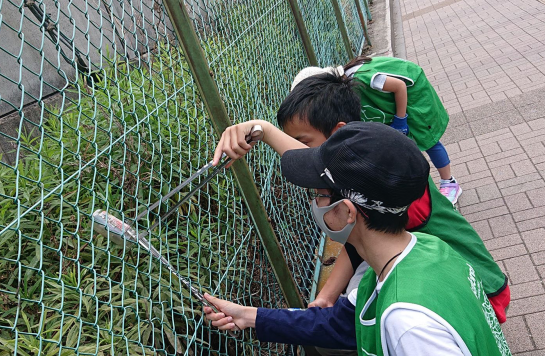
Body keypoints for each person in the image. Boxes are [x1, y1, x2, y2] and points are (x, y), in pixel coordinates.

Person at [205, 123, 538, 356]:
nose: (314, 203)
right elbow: (340, 323)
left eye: (319, 195)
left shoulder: (408, 322)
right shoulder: (422, 248)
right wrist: (249, 316)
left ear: (348, 212)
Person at [213, 73, 510, 329]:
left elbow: (321, 169)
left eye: (305, 142)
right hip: (451, 276)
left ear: (339, 132)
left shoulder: (388, 181)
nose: (304, 154)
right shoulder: (366, 169)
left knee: (364, 322)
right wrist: (326, 297)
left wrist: (263, 129)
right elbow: (360, 246)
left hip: (480, 292)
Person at [292, 56, 461, 205]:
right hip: (391, 105)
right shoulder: (340, 96)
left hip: (412, 94)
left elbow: (399, 86)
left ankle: (449, 182)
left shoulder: (363, 79)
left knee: (427, 138)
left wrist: (400, 120)